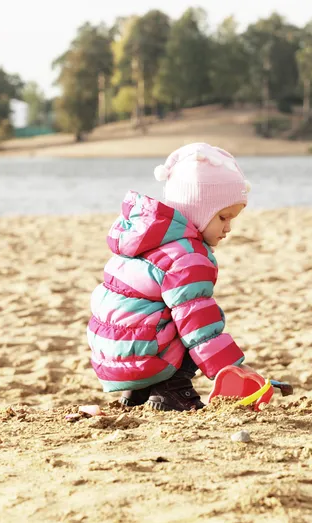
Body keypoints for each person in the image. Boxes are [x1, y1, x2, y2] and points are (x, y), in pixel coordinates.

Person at [87, 142, 255, 411]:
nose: (229, 228)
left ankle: (139, 391)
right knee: (197, 316)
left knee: (152, 311)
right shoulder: (188, 256)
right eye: (223, 217)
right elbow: (198, 325)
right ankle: (172, 389)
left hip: (112, 356)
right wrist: (231, 368)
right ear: (198, 210)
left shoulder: (148, 238)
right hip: (143, 356)